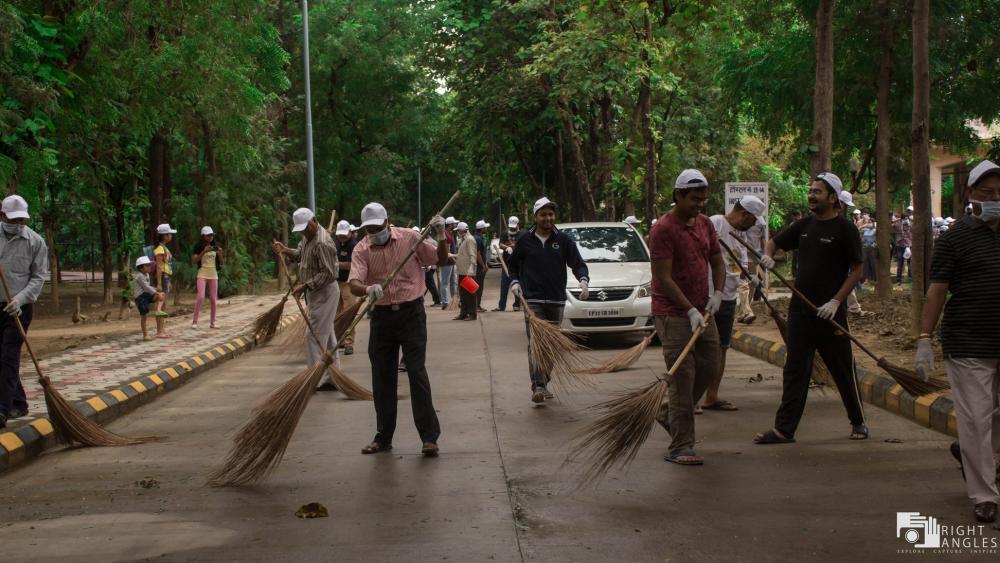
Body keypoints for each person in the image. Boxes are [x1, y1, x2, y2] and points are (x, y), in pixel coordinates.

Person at [754, 172, 867, 445]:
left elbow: (856, 270)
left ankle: (858, 421)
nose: (811, 195)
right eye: (811, 190)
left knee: (842, 369)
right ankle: (784, 429)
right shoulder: (803, 226)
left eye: (817, 191)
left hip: (830, 314)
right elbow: (774, 242)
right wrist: (767, 256)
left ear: (833, 197)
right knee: (795, 370)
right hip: (800, 313)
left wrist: (836, 301)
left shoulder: (845, 229)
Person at [916, 159, 1000, 524]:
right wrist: (923, 338)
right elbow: (936, 292)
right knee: (976, 420)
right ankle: (985, 495)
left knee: (990, 421)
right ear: (970, 195)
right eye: (987, 193)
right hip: (967, 343)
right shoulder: (954, 238)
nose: (996, 198)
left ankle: (968, 452)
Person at [348, 203, 449, 456]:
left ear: (387, 222)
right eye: (369, 228)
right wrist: (368, 289)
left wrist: (440, 235)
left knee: (416, 372)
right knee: (382, 377)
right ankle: (383, 436)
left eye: (377, 227)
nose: (374, 232)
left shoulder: (411, 238)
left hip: (411, 315)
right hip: (381, 318)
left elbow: (441, 259)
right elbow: (354, 284)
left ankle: (429, 437)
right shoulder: (362, 248)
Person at [648, 170, 724, 466]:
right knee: (682, 376)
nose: (699, 205)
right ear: (677, 195)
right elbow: (663, 277)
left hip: (703, 308)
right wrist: (688, 309)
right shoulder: (664, 229)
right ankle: (681, 445)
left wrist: (716, 294)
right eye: (694, 199)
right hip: (673, 313)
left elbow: (717, 261)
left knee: (710, 365)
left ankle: (670, 414)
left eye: (703, 200)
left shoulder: (704, 224)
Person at [508, 197, 589, 404]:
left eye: (550, 214)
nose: (548, 218)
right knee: (536, 343)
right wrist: (515, 282)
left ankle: (544, 380)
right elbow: (513, 266)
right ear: (535, 217)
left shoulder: (563, 240)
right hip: (532, 301)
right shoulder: (525, 241)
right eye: (543, 214)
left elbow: (578, 263)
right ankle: (538, 385)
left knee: (551, 344)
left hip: (556, 301)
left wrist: (583, 280)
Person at [701, 195, 766, 414]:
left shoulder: (740, 235)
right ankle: (688, 398)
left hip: (727, 299)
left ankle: (712, 396)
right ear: (745, 214)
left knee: (722, 347)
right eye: (753, 220)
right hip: (707, 296)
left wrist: (751, 277)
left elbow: (739, 266)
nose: (754, 225)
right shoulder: (715, 223)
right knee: (699, 348)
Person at [273, 207, 342, 391]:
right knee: (327, 337)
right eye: (302, 229)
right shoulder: (307, 237)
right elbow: (300, 254)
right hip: (315, 292)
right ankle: (332, 378)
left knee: (313, 336)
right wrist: (285, 250)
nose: (305, 231)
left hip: (325, 292)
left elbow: (329, 273)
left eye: (307, 227)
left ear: (315, 220)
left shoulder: (322, 242)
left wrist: (305, 285)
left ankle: (313, 380)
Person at [0, 195, 48, 428]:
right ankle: (18, 402)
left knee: (9, 356)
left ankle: (2, 409)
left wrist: (19, 299)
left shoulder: (35, 242)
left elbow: (38, 277)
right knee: (2, 358)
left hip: (20, 309)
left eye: (22, 220)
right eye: (14, 220)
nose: (19, 224)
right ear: (2, 216)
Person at [735, 215, 766, 324]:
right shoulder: (741, 219)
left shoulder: (761, 221)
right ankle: (747, 311)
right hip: (742, 255)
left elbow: (763, 239)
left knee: (752, 284)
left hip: (754, 256)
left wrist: (765, 255)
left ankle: (742, 313)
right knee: (744, 283)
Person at [334, 220, 358, 355]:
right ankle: (340, 340)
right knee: (337, 313)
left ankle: (349, 343)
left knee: (348, 313)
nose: (341, 237)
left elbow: (352, 265)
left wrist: (336, 264)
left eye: (344, 235)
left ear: (349, 232)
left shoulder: (353, 245)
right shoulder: (336, 243)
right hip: (336, 283)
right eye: (339, 235)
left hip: (348, 283)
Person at [191, 226, 223, 329]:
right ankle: (195, 321)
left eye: (212, 235)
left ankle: (213, 322)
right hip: (202, 273)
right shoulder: (198, 246)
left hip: (213, 274)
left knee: (213, 299)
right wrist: (204, 251)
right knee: (201, 296)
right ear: (203, 236)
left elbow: (222, 262)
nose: (210, 237)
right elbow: (195, 260)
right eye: (208, 235)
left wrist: (220, 254)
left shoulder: (215, 246)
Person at [494, 216, 523, 312]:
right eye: (511, 227)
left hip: (518, 265)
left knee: (517, 285)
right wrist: (506, 247)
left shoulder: (522, 234)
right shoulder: (505, 234)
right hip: (506, 264)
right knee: (504, 285)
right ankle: (501, 306)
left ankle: (517, 304)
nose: (512, 229)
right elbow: (500, 244)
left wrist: (516, 247)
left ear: (518, 225)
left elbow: (525, 246)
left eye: (514, 227)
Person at [134, 256, 164, 341]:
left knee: (162, 294)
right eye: (147, 265)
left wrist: (156, 290)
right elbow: (146, 287)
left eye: (149, 265)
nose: (149, 267)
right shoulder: (139, 276)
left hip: (146, 294)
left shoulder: (146, 274)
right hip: (140, 297)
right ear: (141, 267)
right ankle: (145, 335)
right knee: (144, 316)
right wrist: (156, 292)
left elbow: (147, 287)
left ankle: (158, 310)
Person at [454, 222, 479, 321]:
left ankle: (472, 314)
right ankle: (463, 313)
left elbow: (473, 255)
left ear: (462, 230)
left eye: (459, 231)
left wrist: (471, 269)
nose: (458, 233)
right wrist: (452, 255)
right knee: (463, 294)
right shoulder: (463, 240)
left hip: (468, 271)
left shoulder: (469, 240)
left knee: (470, 294)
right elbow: (463, 255)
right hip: (462, 271)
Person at [152, 223, 176, 324]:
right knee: (161, 303)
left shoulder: (163, 248)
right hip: (163, 276)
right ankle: (160, 331)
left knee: (163, 304)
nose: (171, 236)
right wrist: (159, 283)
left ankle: (162, 330)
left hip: (166, 276)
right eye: (169, 234)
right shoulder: (160, 249)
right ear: (165, 236)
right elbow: (159, 266)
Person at [438, 217, 459, 310]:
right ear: (450, 225)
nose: (455, 225)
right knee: (445, 283)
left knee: (453, 282)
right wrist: (453, 257)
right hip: (447, 262)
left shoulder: (450, 233)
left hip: (451, 262)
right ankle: (445, 302)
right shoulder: (446, 234)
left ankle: (454, 301)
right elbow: (446, 250)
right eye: (454, 223)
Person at [892, 209, 912, 283]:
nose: (906, 220)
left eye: (907, 218)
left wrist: (909, 222)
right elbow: (890, 225)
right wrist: (898, 220)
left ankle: (910, 277)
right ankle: (899, 279)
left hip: (909, 245)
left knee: (910, 262)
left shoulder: (911, 225)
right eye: (904, 218)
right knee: (900, 262)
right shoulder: (898, 225)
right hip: (900, 245)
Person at [474, 220, 490, 312]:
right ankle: (476, 305)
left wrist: (485, 264)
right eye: (485, 228)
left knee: (478, 286)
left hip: (480, 266)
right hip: (479, 267)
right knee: (478, 287)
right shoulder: (478, 239)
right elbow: (478, 254)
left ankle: (477, 305)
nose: (486, 229)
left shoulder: (478, 237)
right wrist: (483, 265)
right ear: (482, 228)